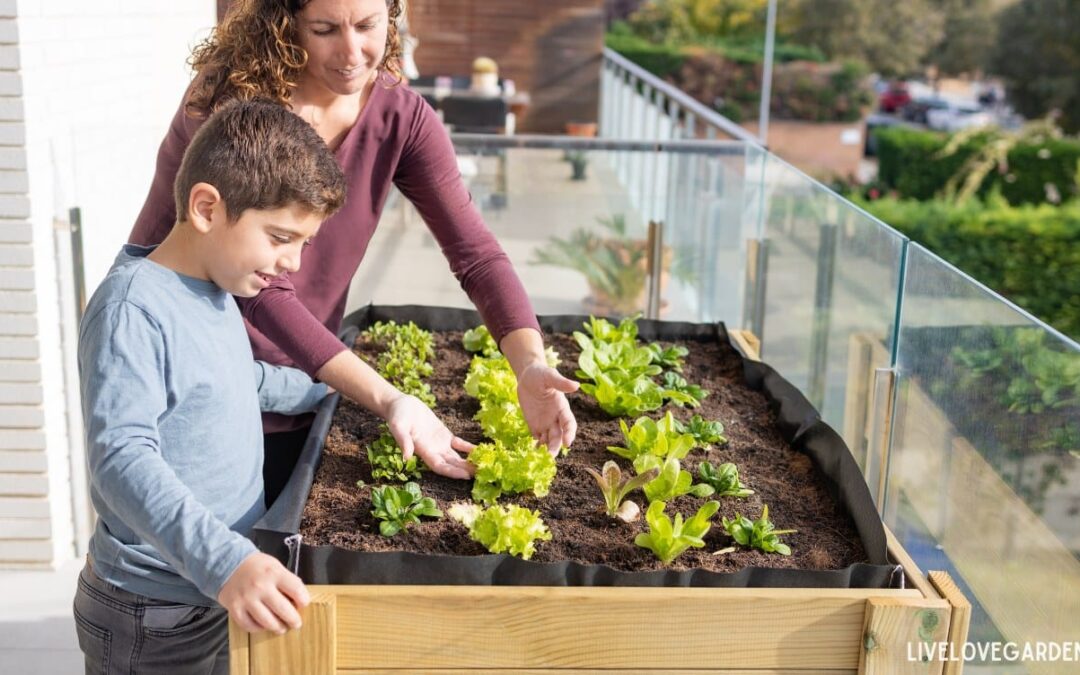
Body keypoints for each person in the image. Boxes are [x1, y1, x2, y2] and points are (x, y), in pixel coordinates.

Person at [129, 0, 579, 507]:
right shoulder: (237, 108)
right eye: (325, 29)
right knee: (206, 567)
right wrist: (387, 398)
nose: (352, 52)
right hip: (195, 371)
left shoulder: (399, 116)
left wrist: (530, 364)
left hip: (303, 376)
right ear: (284, 24)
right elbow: (262, 290)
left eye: (368, 26)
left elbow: (475, 254)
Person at [74, 100, 347, 674]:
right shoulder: (133, 308)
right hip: (155, 611)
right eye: (280, 236)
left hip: (206, 589)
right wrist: (226, 563)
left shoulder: (214, 288)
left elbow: (231, 380)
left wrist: (323, 395)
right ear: (206, 208)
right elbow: (121, 458)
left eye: (303, 243)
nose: (293, 262)